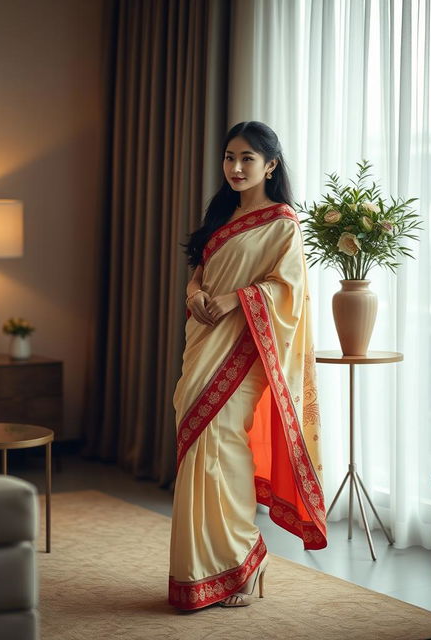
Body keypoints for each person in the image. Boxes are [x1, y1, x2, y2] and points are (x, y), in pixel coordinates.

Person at [168, 121, 327, 610]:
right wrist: (195, 298)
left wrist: (236, 300)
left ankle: (243, 559)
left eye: (247, 159)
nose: (235, 168)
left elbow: (287, 292)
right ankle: (207, 569)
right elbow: (199, 275)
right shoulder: (221, 216)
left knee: (222, 447)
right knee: (200, 453)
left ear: (270, 165)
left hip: (244, 351)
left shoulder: (282, 223)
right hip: (205, 341)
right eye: (229, 157)